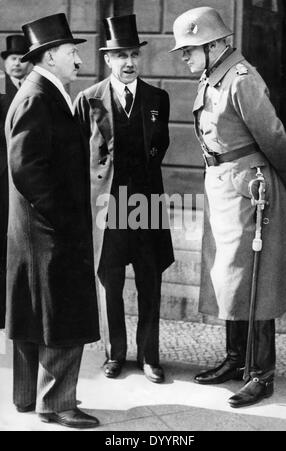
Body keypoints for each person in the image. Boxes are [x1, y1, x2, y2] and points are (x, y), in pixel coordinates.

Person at [170, 6, 286, 408]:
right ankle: (234, 358)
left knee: (254, 281)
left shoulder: (242, 79)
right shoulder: (214, 76)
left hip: (249, 191)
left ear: (215, 46)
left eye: (190, 50)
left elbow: (273, 136)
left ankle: (261, 373)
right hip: (223, 187)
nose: (185, 57)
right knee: (229, 277)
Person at [5, 13, 100, 428]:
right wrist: (63, 220)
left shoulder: (42, 90)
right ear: (49, 56)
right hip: (49, 231)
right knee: (61, 315)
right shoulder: (37, 96)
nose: (78, 59)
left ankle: (28, 397)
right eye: (71, 51)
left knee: (31, 315)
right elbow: (27, 168)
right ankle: (58, 404)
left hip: (37, 231)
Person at [75, 14, 174, 384]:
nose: (129, 62)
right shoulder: (88, 99)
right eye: (121, 56)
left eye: (133, 54)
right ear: (108, 60)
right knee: (110, 280)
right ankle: (115, 354)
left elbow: (160, 145)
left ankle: (150, 356)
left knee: (150, 279)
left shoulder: (157, 98)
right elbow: (78, 154)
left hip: (145, 203)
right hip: (107, 205)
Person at [0, 35, 30, 330]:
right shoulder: (0, 87)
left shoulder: (34, 89)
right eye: (12, 59)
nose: (18, 63)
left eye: (22, 58)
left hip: (22, 173)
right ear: (4, 62)